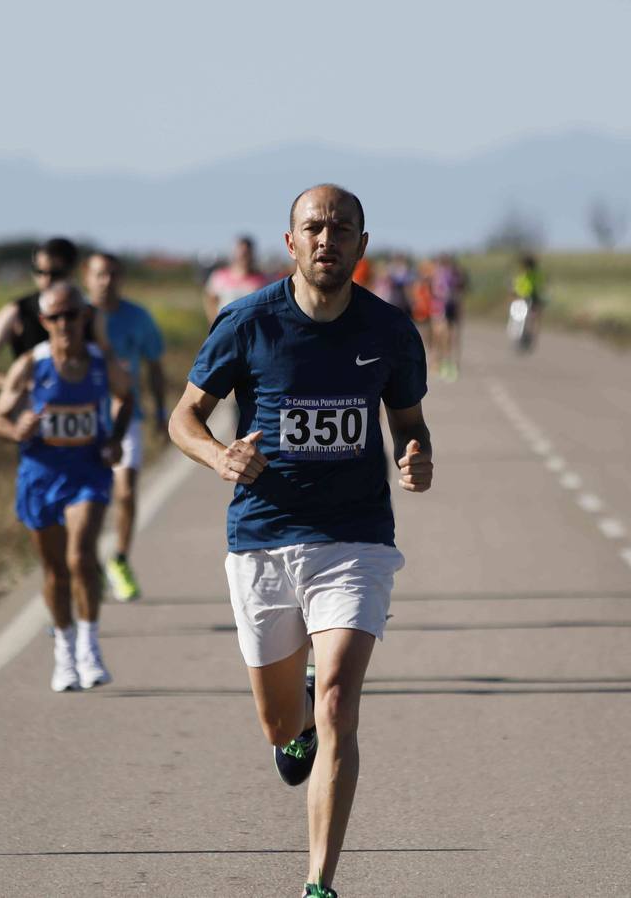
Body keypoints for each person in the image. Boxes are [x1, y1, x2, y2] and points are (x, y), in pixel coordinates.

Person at [169, 184, 433, 898]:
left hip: (355, 539)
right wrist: (219, 455)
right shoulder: (247, 323)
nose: (327, 239)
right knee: (284, 724)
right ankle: (295, 729)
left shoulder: (388, 332)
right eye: (314, 228)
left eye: (341, 229)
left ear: (361, 245)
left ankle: (319, 882)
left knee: (339, 701)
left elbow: (408, 421)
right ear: (290, 243)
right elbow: (184, 418)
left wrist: (416, 454)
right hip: (261, 538)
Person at [0, 282, 133, 691]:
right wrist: (17, 428)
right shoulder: (31, 366)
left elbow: (125, 397)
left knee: (81, 555)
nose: (64, 323)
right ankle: (64, 652)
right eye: (55, 317)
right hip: (40, 475)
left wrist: (115, 437)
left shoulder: (101, 361)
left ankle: (89, 649)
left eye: (72, 315)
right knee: (54, 571)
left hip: (87, 472)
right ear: (43, 321)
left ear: (85, 317)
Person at [83, 250, 167, 602]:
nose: (107, 281)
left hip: (125, 417)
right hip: (83, 419)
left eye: (113, 274)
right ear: (86, 278)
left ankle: (119, 558)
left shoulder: (137, 318)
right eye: (100, 274)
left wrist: (162, 411)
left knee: (126, 490)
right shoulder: (75, 318)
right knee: (89, 503)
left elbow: (154, 365)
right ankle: (88, 565)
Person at [0, 237, 110, 390]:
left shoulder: (92, 313)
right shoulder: (17, 310)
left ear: (71, 272)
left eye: (55, 273)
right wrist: (23, 387)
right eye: (39, 272)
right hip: (32, 410)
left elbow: (109, 362)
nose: (46, 280)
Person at [204, 234, 268, 325]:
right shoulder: (219, 276)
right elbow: (210, 299)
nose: (243, 257)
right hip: (225, 329)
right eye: (241, 252)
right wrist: (214, 322)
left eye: (246, 253)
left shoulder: (262, 280)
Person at [513, 252, 546, 347]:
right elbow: (517, 286)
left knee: (532, 317)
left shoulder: (532, 274)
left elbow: (540, 286)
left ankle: (530, 336)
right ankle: (525, 336)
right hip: (524, 298)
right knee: (525, 318)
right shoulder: (524, 274)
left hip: (532, 298)